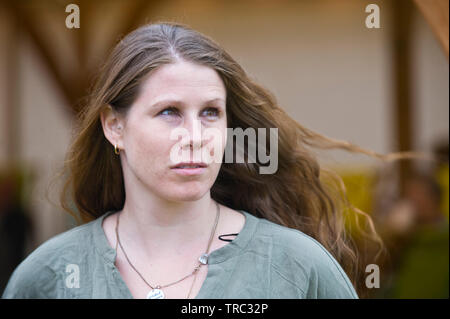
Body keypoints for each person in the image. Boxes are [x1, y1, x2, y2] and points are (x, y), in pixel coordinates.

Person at [3, 21, 396, 299]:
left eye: (210, 112)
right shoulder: (49, 276)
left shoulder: (298, 265)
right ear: (114, 126)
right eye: (169, 112)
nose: (195, 137)